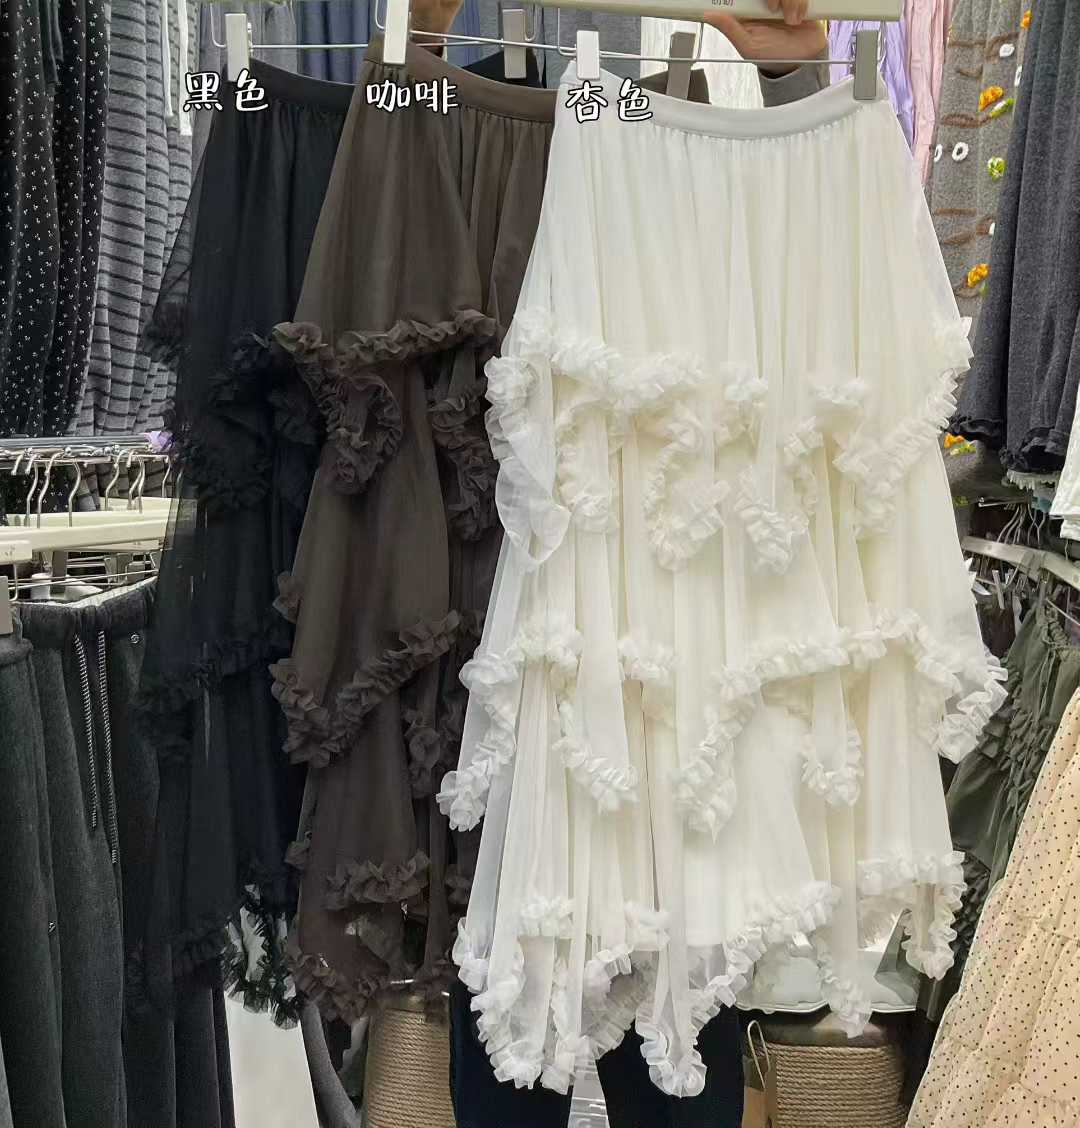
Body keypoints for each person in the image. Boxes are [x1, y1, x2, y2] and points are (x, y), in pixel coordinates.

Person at [439, 4, 834, 1127]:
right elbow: (381, 136)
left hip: (683, 594)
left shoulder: (700, 114)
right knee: (510, 958)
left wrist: (795, 75)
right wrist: (412, 48)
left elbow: (807, 253)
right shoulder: (463, 104)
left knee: (680, 952)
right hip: (498, 589)